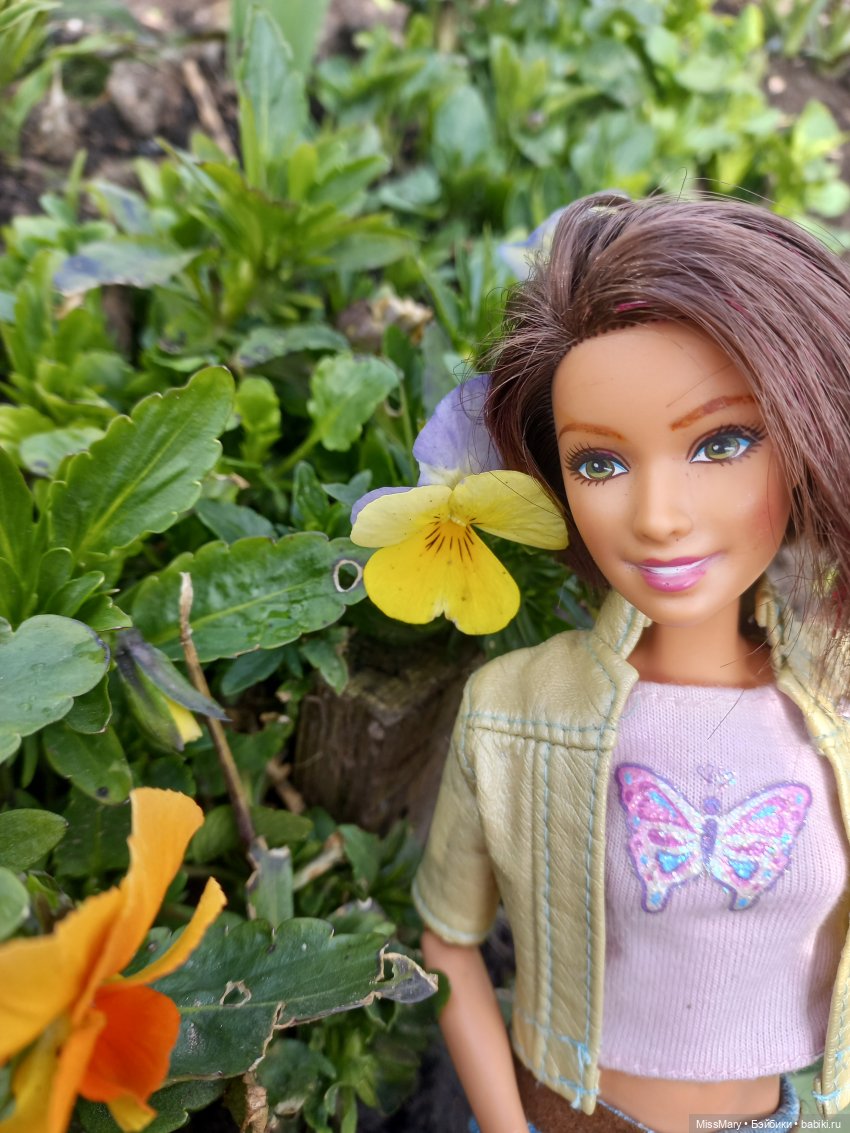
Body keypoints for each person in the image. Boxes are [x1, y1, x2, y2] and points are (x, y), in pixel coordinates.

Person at [411, 192, 850, 1133]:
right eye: (599, 464)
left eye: (721, 443)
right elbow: (447, 943)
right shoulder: (514, 707)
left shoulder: (837, 694)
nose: (656, 516)